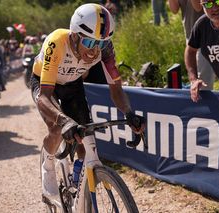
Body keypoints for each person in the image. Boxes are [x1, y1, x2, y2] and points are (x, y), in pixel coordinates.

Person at [30, 3, 146, 202]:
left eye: (100, 44)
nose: (95, 51)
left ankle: (77, 183)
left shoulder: (106, 48)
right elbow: (44, 97)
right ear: (74, 35)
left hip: (72, 83)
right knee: (57, 128)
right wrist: (63, 120)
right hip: (45, 84)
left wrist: (128, 112)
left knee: (84, 134)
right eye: (90, 43)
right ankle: (47, 165)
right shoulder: (56, 42)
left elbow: (116, 89)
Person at [168, 0, 215, 90]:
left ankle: (206, 103)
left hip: (206, 35)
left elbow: (198, 7)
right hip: (190, 35)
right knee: (194, 79)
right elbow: (174, 10)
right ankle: (198, 102)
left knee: (204, 81)